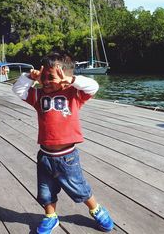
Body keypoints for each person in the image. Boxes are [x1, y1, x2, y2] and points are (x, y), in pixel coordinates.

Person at [12, 51, 114, 234]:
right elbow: (18, 90)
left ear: (65, 76)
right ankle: (51, 216)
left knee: (79, 188)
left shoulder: (74, 94)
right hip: (45, 156)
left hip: (67, 157)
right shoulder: (38, 96)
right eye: (44, 77)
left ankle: (96, 209)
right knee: (45, 192)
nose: (46, 81)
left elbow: (93, 86)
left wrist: (72, 80)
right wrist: (29, 77)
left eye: (51, 77)